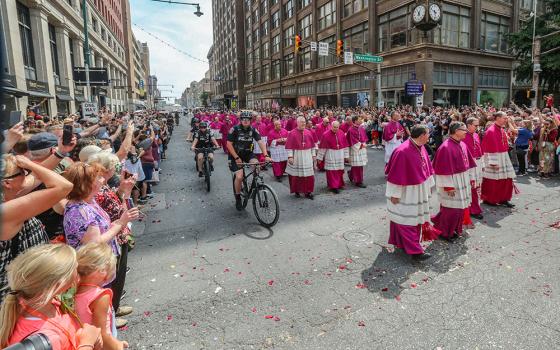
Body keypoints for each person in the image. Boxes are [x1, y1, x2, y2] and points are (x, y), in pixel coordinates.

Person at [0, 244, 102, 350]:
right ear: (59, 283)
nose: (79, 276)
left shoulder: (35, 302)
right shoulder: (50, 339)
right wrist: (87, 343)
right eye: (76, 269)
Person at [0, 155, 73, 302]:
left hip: (28, 291)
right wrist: (29, 163)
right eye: (22, 171)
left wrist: (59, 153)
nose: (27, 174)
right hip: (20, 300)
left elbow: (36, 177)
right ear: (7, 183)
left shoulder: (10, 198)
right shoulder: (7, 212)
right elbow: (64, 187)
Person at [385, 125, 435, 261]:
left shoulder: (421, 146)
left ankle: (399, 241)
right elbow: (395, 174)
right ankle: (415, 251)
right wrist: (394, 194)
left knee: (411, 218)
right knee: (406, 220)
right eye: (428, 134)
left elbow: (427, 167)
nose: (429, 136)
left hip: (418, 189)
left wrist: (429, 185)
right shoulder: (402, 151)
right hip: (407, 192)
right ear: (421, 136)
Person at [75, 243, 128, 350]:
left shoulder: (75, 291)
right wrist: (118, 346)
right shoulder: (100, 297)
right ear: (102, 270)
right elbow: (102, 334)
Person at [432, 122, 477, 241]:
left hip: (462, 179)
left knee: (459, 208)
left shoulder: (462, 144)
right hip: (452, 182)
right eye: (463, 130)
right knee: (451, 209)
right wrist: (448, 187)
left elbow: (469, 163)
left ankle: (455, 229)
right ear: (456, 131)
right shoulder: (445, 147)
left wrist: (471, 177)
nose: (466, 132)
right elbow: (442, 170)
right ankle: (445, 232)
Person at [227, 114, 270, 210]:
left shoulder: (253, 130)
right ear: (240, 120)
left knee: (257, 166)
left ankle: (254, 185)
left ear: (251, 120)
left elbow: (260, 142)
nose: (245, 121)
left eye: (247, 119)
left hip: (248, 153)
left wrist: (266, 155)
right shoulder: (234, 129)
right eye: (243, 119)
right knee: (239, 176)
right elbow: (229, 144)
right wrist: (236, 157)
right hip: (235, 154)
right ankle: (238, 197)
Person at [481, 112, 516, 207]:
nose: (506, 120)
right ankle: (489, 199)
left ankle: (503, 198)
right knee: (493, 180)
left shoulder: (501, 129)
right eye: (504, 118)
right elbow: (489, 147)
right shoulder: (491, 131)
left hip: (503, 156)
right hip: (495, 158)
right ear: (498, 118)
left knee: (506, 179)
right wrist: (493, 162)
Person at [285, 116, 317, 199]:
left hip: (307, 156)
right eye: (302, 122)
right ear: (297, 123)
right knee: (297, 175)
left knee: (309, 175)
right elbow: (289, 147)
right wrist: (290, 157)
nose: (304, 123)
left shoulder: (308, 132)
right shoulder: (292, 133)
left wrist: (313, 155)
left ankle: (308, 192)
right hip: (297, 156)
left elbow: (313, 146)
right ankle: (297, 190)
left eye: (304, 122)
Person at [317, 121, 349, 194]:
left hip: (340, 154)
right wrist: (320, 158)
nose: (336, 129)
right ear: (331, 126)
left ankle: (339, 184)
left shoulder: (341, 133)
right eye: (334, 127)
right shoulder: (325, 135)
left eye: (337, 127)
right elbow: (322, 148)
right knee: (332, 171)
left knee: (339, 170)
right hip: (330, 154)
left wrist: (346, 156)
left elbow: (345, 146)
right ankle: (333, 186)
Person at [463, 117, 484, 219]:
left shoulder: (476, 134)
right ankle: (472, 209)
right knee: (471, 187)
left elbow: (479, 148)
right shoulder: (463, 136)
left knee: (476, 186)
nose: (477, 127)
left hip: (478, 163)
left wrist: (482, 164)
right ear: (469, 125)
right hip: (469, 166)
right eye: (476, 125)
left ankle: (474, 207)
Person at [346, 116, 368, 188]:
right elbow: (353, 141)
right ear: (355, 121)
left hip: (362, 148)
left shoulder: (361, 128)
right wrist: (361, 145)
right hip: (355, 149)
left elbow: (364, 137)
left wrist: (364, 143)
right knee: (357, 165)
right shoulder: (351, 130)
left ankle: (351, 174)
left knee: (358, 164)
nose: (361, 120)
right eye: (359, 119)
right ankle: (358, 181)